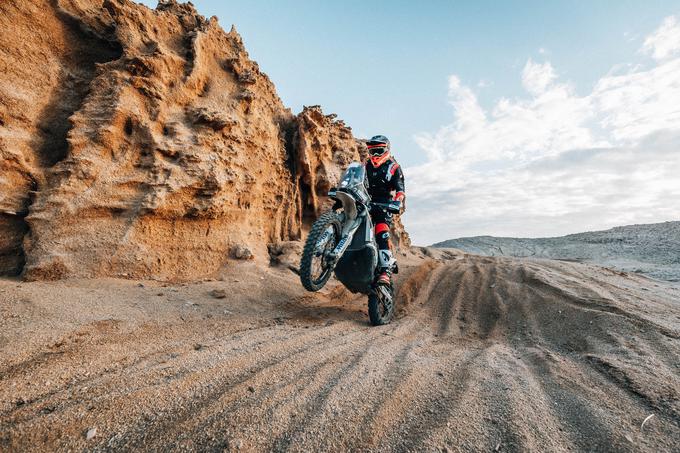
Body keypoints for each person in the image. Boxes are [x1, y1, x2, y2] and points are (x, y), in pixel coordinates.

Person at [365, 135, 405, 286]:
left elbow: (400, 190)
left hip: (384, 205)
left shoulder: (393, 167)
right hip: (365, 201)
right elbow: (355, 179)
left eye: (378, 151)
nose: (374, 155)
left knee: (381, 231)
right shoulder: (365, 165)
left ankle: (385, 271)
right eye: (372, 151)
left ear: (386, 150)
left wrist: (397, 202)